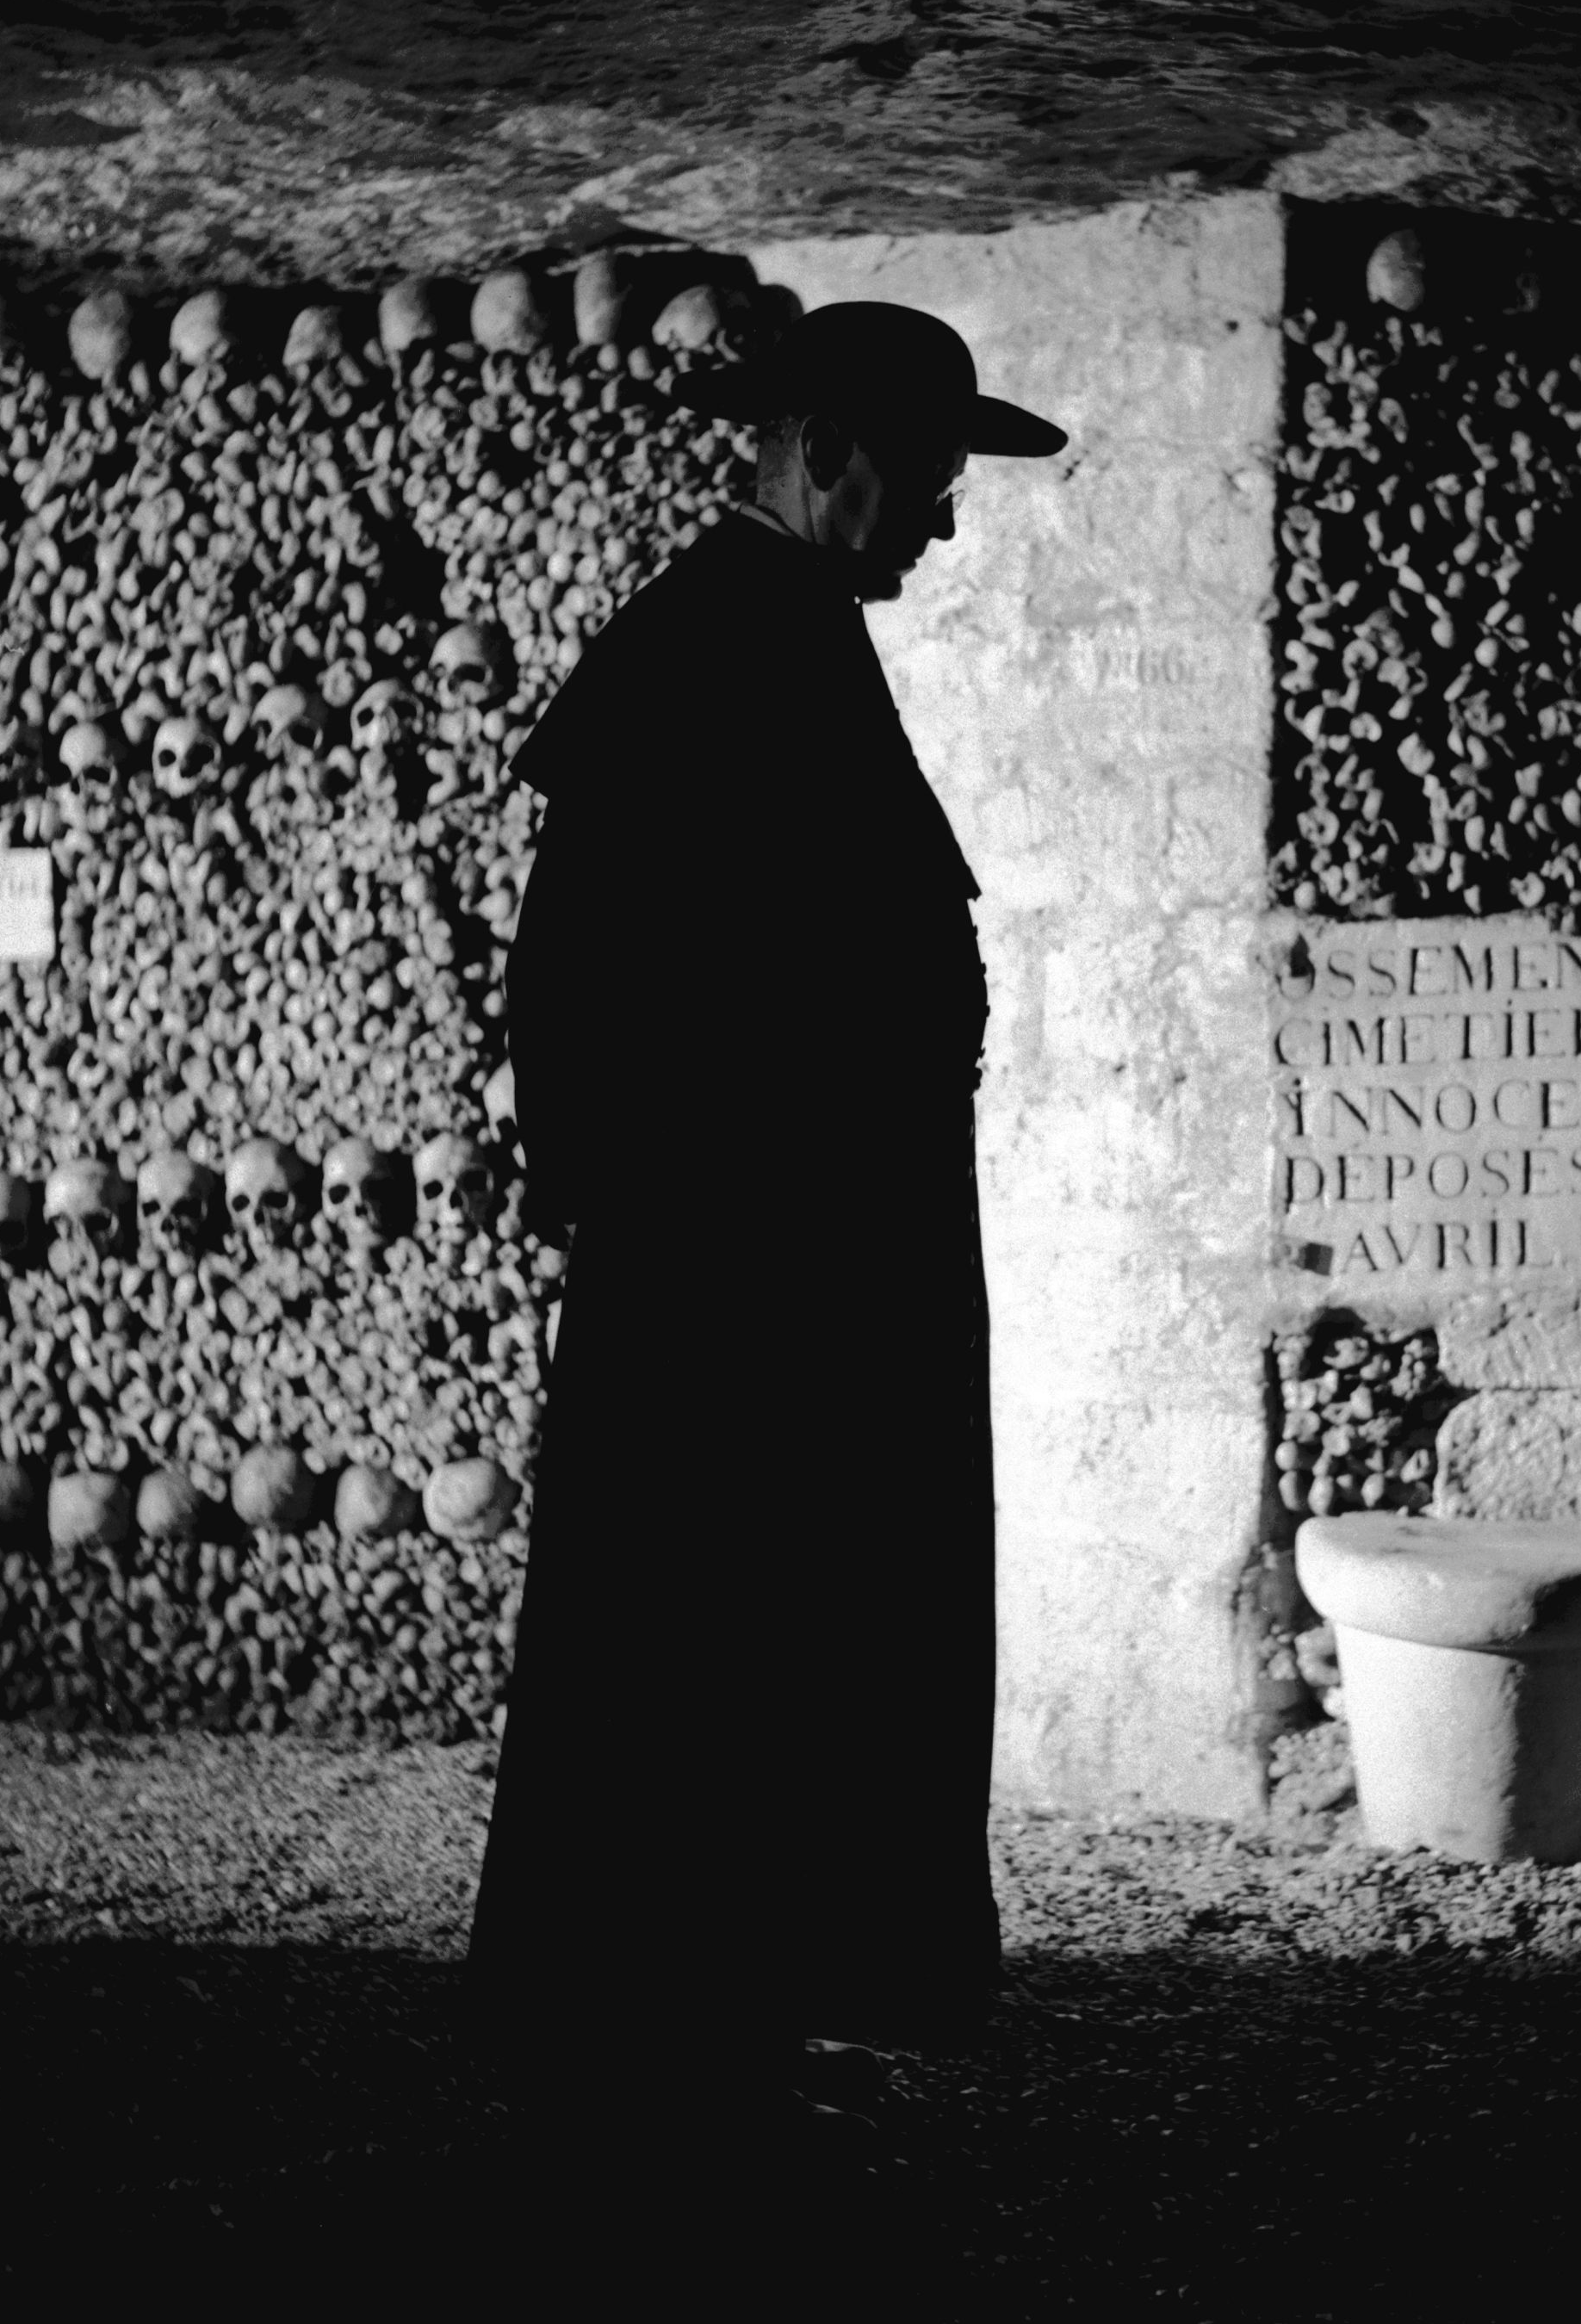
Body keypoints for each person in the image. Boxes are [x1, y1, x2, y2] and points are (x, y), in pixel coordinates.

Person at [462, 300, 1067, 2203]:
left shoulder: (770, 635)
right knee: (706, 1653)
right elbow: (574, 985)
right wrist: (697, 1237)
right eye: (929, 479)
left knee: (755, 1660)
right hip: (746, 1295)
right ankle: (658, 2066)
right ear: (821, 453)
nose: (946, 527)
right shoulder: (716, 641)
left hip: (789, 1273)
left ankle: (711, 2042)